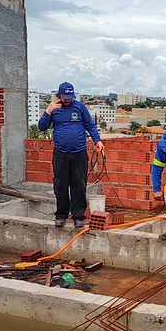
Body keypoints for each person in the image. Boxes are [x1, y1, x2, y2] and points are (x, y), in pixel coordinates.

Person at [39, 82, 104, 228]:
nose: (68, 100)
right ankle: (61, 214)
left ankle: (78, 216)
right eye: (65, 97)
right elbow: (41, 127)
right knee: (61, 185)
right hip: (60, 153)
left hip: (79, 152)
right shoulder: (54, 109)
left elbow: (90, 125)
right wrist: (48, 111)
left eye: (70, 97)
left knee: (79, 184)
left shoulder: (79, 107)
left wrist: (97, 141)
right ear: (59, 95)